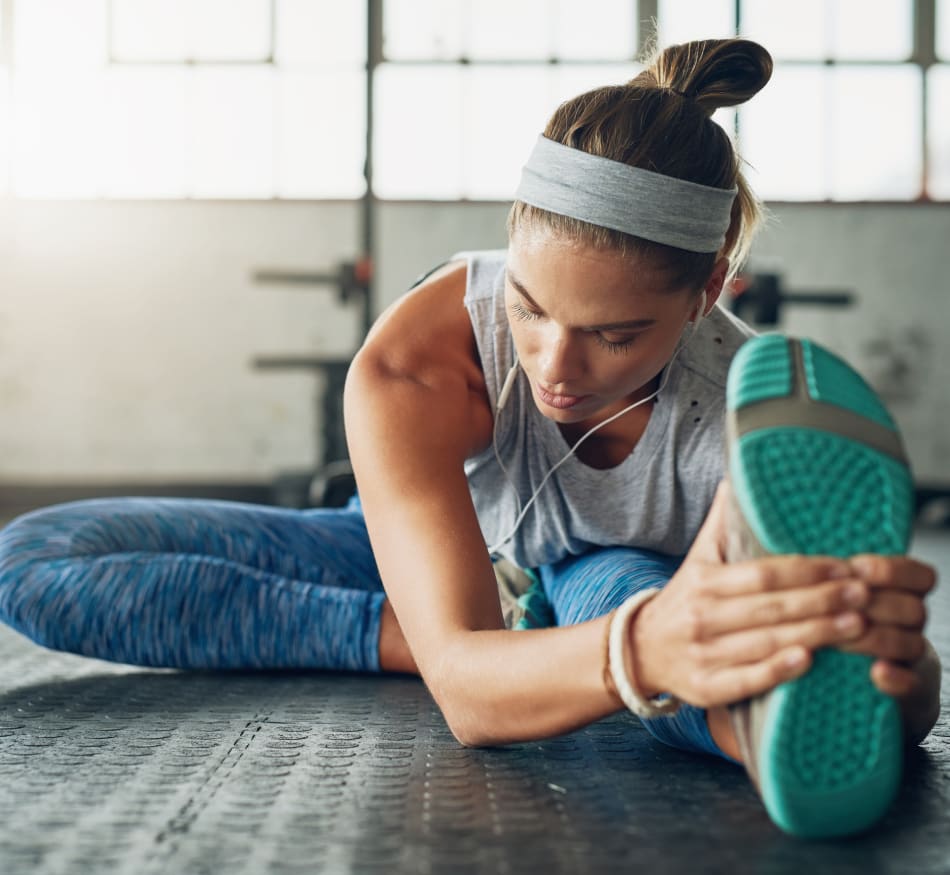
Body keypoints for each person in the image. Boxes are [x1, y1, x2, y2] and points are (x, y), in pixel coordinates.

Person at [0, 38, 939, 839]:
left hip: (610, 583)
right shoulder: (417, 356)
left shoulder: (743, 416)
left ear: (707, 290)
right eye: (529, 308)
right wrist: (475, 648)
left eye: (615, 334)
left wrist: (895, 672)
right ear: (508, 251)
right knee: (32, 560)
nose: (555, 366)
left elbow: (749, 629)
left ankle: (748, 724)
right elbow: (471, 700)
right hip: (426, 551)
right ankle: (451, 635)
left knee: (640, 601)